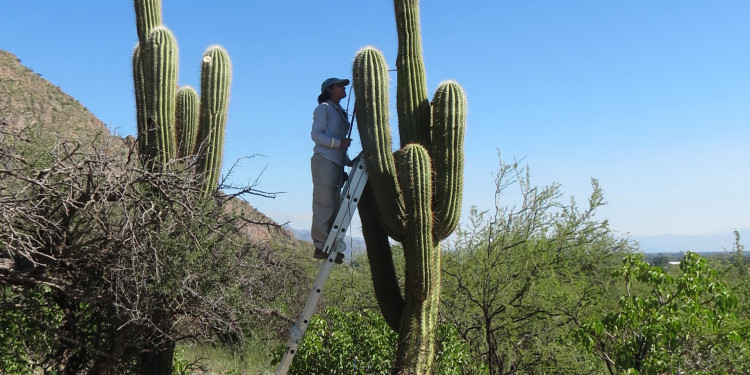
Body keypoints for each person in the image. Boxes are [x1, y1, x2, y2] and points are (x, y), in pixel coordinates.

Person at [310, 77, 352, 264]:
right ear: (329, 89)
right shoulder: (323, 108)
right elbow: (316, 135)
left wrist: (347, 161)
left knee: (334, 205)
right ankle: (320, 245)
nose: (343, 88)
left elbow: (341, 143)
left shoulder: (339, 111)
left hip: (336, 162)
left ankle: (331, 245)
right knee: (323, 202)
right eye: (339, 85)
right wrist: (338, 144)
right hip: (324, 160)